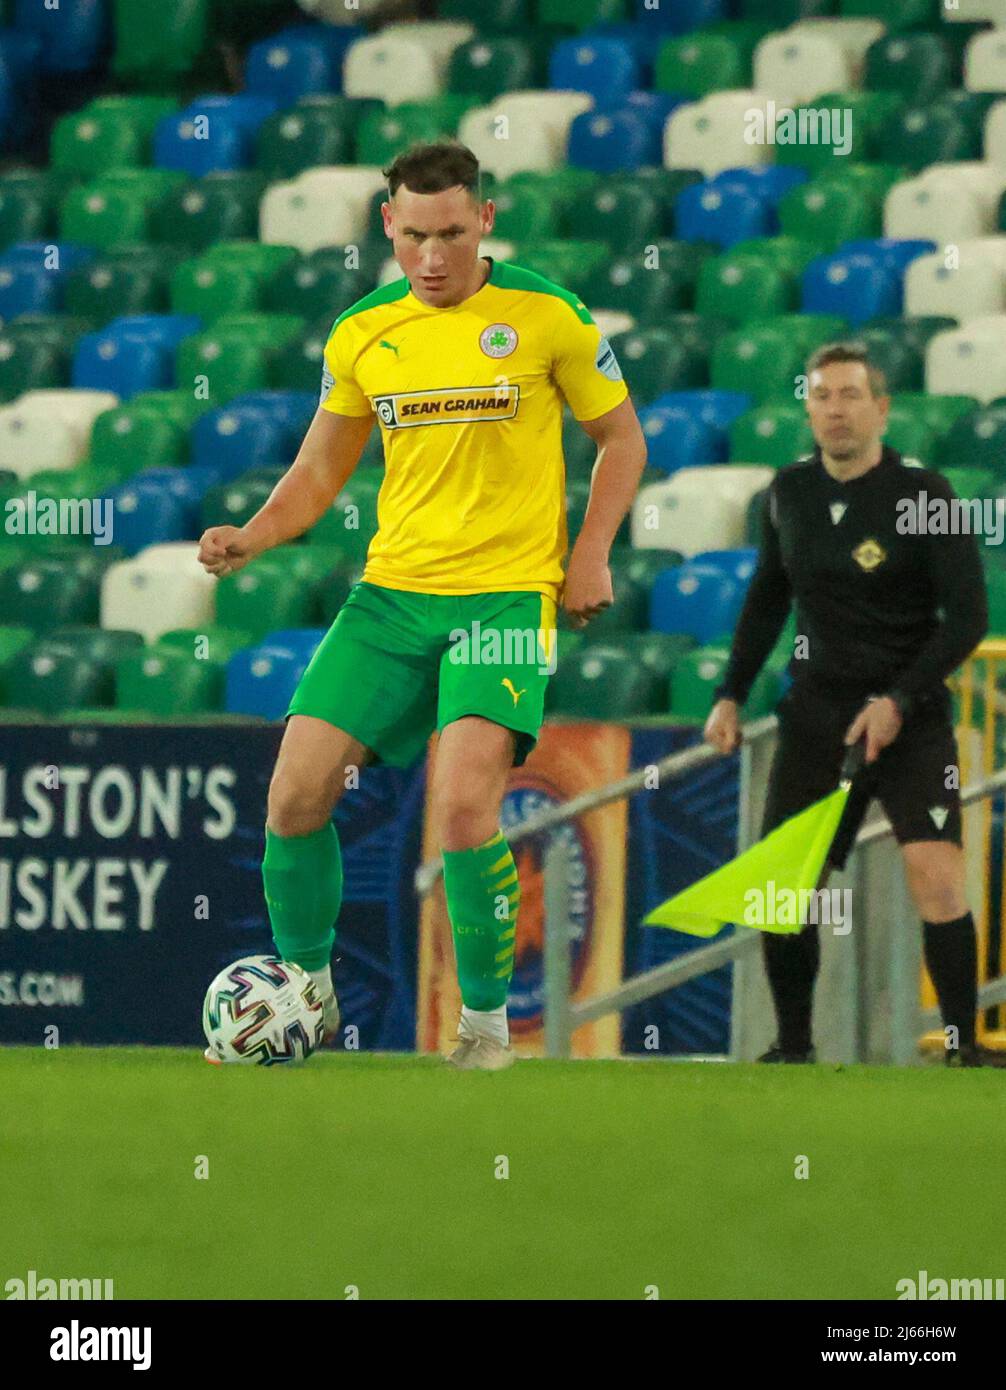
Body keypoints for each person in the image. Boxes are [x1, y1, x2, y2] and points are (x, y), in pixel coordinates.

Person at [197, 141, 646, 1070]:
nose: (432, 257)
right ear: (387, 226)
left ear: (484, 220)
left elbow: (621, 438)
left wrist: (591, 552)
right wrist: (254, 533)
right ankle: (306, 996)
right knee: (293, 796)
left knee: (465, 812)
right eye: (413, 236)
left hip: (504, 597)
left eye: (450, 233)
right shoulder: (363, 332)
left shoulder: (546, 314)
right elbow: (321, 468)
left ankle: (483, 1030)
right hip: (392, 596)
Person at [704, 343, 989, 1066]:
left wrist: (898, 698)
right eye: (823, 396)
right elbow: (768, 595)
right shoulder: (788, 492)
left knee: (937, 876)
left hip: (912, 717)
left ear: (882, 408)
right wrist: (730, 694)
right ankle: (794, 1047)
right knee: (784, 889)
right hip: (819, 716)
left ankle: (962, 1046)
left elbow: (968, 619)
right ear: (807, 408)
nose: (836, 410)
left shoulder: (926, 496)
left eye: (851, 396)